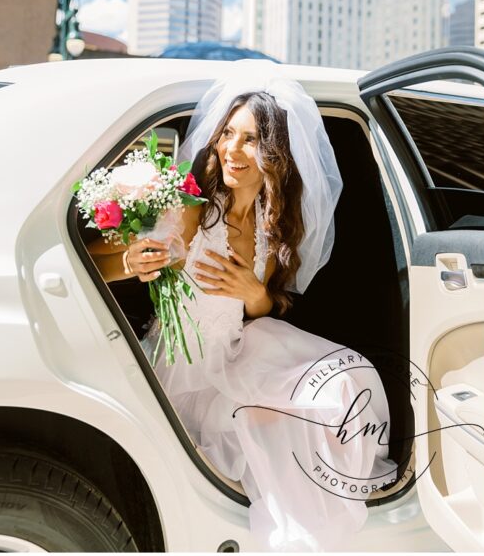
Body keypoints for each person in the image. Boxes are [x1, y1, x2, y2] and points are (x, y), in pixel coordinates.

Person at [92, 78, 398, 552]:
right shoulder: (192, 208)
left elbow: (270, 307)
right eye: (227, 134)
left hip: (241, 351)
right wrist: (133, 262)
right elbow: (98, 260)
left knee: (346, 381)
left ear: (274, 153)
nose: (233, 149)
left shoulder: (273, 221)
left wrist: (254, 294)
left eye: (251, 139)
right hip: (185, 367)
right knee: (260, 429)